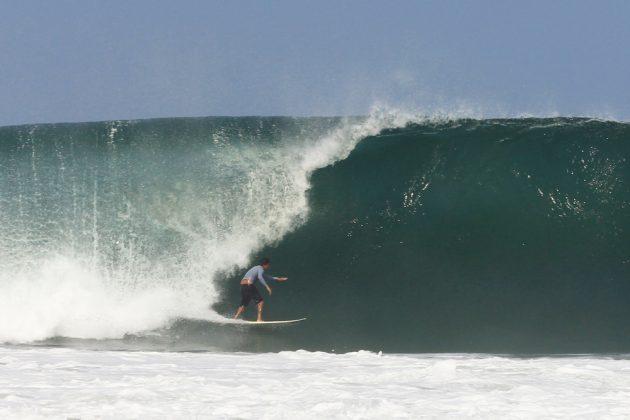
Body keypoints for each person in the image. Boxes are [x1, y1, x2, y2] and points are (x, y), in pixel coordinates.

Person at [233, 257, 288, 322]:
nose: (269, 266)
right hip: (249, 285)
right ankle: (259, 319)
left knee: (244, 304)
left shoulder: (256, 268)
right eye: (268, 264)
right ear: (265, 264)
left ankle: (235, 318)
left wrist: (279, 279)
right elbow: (260, 277)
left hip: (243, 286)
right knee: (260, 301)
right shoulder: (261, 269)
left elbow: (268, 277)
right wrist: (267, 287)